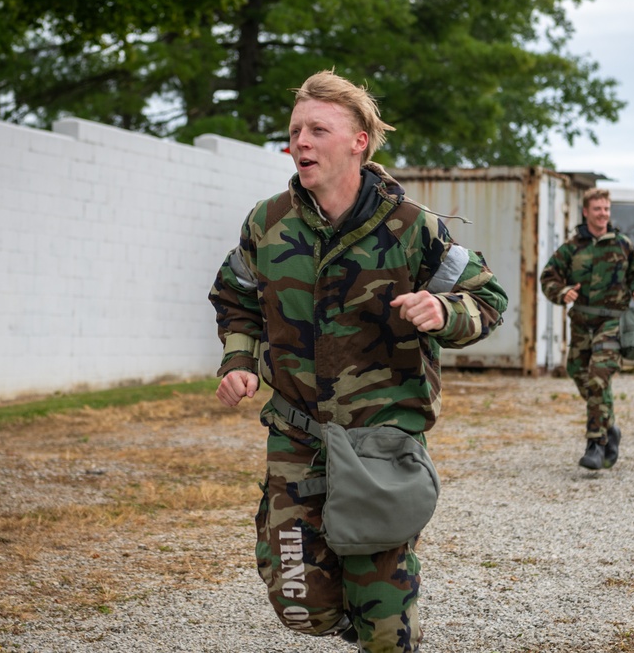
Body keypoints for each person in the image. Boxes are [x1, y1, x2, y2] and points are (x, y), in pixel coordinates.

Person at [208, 70, 507, 652]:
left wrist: (444, 312)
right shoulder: (266, 224)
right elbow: (235, 295)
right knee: (301, 606)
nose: (301, 142)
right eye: (296, 131)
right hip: (296, 437)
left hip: (379, 441)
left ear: (359, 141)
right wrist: (238, 360)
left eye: (318, 129)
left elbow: (487, 300)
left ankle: (381, 625)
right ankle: (349, 620)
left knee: (385, 623)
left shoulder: (414, 229)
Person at [540, 188, 634, 470]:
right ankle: (610, 425)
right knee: (578, 373)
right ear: (586, 212)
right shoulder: (571, 248)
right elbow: (548, 278)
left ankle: (595, 443)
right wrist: (562, 291)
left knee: (598, 376)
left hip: (612, 322)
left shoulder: (623, 245)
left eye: (606, 208)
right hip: (581, 322)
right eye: (598, 209)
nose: (603, 213)